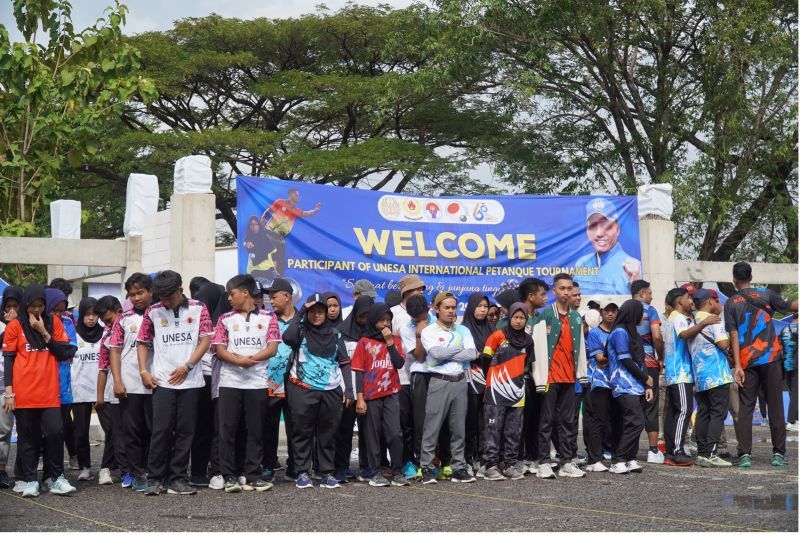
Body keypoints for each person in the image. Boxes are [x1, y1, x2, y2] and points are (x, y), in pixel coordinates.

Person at [137, 270, 214, 496]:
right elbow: (142, 342)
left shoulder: (199, 308)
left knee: (185, 431)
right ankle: (154, 478)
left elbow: (206, 339)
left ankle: (177, 478)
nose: (166, 303)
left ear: (181, 290)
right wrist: (143, 371)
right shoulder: (152, 311)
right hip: (162, 381)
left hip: (190, 380)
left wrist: (188, 365)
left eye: (170, 298)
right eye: (162, 299)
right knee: (161, 430)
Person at [2, 284, 77, 497]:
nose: (36, 310)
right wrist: (9, 392)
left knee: (55, 433)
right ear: (26, 305)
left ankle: (56, 478)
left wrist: (43, 332)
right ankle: (30, 480)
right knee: (28, 439)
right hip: (24, 394)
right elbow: (9, 359)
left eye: (40, 305)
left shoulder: (54, 323)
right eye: (33, 306)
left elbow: (63, 352)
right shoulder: (14, 327)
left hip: (49, 393)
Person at [724, 262, 797, 467]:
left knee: (746, 407)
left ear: (734, 279)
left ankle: (745, 454)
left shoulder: (731, 302)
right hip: (771, 357)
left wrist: (737, 365)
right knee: (775, 406)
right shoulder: (767, 294)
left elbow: (733, 335)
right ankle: (778, 454)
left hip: (747, 361)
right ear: (751, 276)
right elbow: (791, 306)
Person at [213, 274, 281, 493]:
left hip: (257, 382)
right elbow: (220, 349)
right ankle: (229, 475)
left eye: (232, 294)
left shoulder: (269, 317)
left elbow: (272, 348)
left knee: (255, 430)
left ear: (245, 292)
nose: (229, 298)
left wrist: (250, 360)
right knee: (227, 429)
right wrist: (238, 361)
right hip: (230, 381)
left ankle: (252, 475)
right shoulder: (224, 318)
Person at [282, 293, 354, 490]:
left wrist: (348, 389)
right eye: (312, 311)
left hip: (331, 390)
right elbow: (287, 337)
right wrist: (301, 312)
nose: (316, 315)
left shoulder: (335, 333)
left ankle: (326, 472)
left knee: (328, 433)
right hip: (303, 389)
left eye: (320, 311)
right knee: (302, 431)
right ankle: (302, 472)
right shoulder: (300, 331)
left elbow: (344, 363)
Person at [531, 273, 588, 479]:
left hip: (569, 378)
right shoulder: (546, 315)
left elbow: (580, 347)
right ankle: (544, 462)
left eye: (569, 288)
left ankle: (566, 461)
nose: (566, 292)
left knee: (567, 422)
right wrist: (539, 378)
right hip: (549, 377)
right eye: (561, 288)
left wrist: (582, 374)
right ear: (554, 291)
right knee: (546, 421)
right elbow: (537, 347)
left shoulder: (575, 317)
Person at [419, 291, 477, 485]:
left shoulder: (464, 330)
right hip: (439, 381)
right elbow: (435, 353)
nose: (451, 311)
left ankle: (458, 468)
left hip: (460, 381)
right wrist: (459, 351)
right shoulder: (429, 331)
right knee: (432, 427)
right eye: (447, 307)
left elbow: (472, 354)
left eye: (453, 307)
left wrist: (448, 353)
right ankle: (426, 467)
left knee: (459, 429)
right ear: (436, 309)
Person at [351, 303, 408, 487]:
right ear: (373, 321)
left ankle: (397, 469)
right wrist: (360, 397)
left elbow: (399, 363)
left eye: (388, 320)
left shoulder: (396, 341)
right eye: (381, 320)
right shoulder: (364, 343)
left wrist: (390, 343)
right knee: (372, 435)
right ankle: (375, 471)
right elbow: (359, 371)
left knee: (395, 433)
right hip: (371, 395)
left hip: (391, 393)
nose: (385, 324)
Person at [107, 272, 154, 492]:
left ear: (151, 292)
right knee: (132, 432)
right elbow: (114, 351)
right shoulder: (123, 319)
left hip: (158, 382)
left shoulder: (161, 314)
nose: (136, 298)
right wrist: (117, 380)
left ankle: (154, 471)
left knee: (156, 431)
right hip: (131, 383)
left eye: (140, 292)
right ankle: (136, 473)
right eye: (132, 294)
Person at [497, 278, 548, 474]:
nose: (545, 298)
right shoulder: (507, 322)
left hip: (538, 377)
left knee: (536, 419)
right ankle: (513, 459)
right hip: (515, 378)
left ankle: (532, 457)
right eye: (542, 294)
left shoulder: (541, 319)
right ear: (531, 296)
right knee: (516, 422)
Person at [480, 303, 532, 481]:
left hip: (517, 391)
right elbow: (485, 359)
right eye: (515, 317)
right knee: (492, 429)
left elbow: (527, 364)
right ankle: (490, 465)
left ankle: (509, 464)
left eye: (522, 318)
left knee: (513, 431)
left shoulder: (528, 340)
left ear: (526, 319)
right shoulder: (497, 336)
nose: (518, 321)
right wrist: (495, 379)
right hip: (495, 390)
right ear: (509, 318)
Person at [189, 277, 232, 488]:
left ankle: (212, 468)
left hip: (220, 379)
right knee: (203, 426)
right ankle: (198, 469)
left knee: (215, 426)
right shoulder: (197, 321)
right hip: (202, 379)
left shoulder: (225, 322)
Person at [663, 287, 708, 467]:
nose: (691, 301)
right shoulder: (678, 318)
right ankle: (677, 451)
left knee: (674, 414)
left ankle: (670, 451)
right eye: (688, 297)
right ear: (680, 301)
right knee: (684, 411)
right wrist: (705, 323)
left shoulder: (672, 318)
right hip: (680, 372)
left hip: (675, 372)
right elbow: (684, 334)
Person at [689, 289, 734, 468]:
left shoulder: (691, 323)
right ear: (710, 301)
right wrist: (731, 335)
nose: (719, 304)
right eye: (716, 300)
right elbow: (723, 344)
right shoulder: (715, 321)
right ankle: (712, 452)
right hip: (717, 375)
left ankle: (702, 453)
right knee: (717, 414)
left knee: (703, 413)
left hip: (700, 376)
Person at [606, 300, 651, 474]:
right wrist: (645, 378)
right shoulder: (619, 332)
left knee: (634, 422)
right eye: (641, 313)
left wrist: (646, 383)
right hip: (623, 383)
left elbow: (640, 359)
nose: (643, 317)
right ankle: (618, 460)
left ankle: (630, 458)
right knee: (636, 421)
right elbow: (625, 359)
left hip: (637, 384)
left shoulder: (634, 333)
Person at [389, 274, 427, 478]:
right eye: (416, 289)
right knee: (403, 424)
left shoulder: (426, 314)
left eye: (422, 289)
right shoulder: (394, 314)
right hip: (401, 376)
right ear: (405, 293)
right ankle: (406, 462)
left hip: (422, 376)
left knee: (419, 421)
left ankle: (422, 461)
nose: (420, 292)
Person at [262, 278, 299, 482]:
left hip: (296, 381)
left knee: (297, 426)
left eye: (274, 297)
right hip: (271, 380)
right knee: (269, 425)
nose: (271, 301)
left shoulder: (303, 319)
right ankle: (268, 464)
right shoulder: (267, 320)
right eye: (269, 298)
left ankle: (295, 466)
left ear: (287, 296)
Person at [334, 295, 374, 482]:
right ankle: (342, 467)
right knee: (345, 430)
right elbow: (340, 364)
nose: (365, 320)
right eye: (361, 316)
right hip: (347, 390)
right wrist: (346, 390)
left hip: (371, 390)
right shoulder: (341, 333)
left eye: (369, 316)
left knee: (368, 431)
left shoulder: (376, 336)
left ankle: (367, 466)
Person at [573, 198, 642, 294]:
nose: (599, 233)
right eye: (593, 226)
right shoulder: (581, 264)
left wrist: (636, 282)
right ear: (587, 232)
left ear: (617, 230)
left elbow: (639, 305)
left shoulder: (632, 267)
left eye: (606, 225)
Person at [70, 298, 105, 482]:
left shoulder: (105, 333)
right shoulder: (74, 335)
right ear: (82, 315)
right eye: (87, 314)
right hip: (80, 390)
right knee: (81, 432)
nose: (91, 318)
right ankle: (85, 467)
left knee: (112, 429)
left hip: (103, 389)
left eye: (95, 314)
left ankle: (108, 466)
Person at [630, 280, 665, 464]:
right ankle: (653, 451)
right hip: (649, 362)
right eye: (650, 293)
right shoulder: (650, 311)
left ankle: (629, 449)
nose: (651, 297)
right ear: (642, 293)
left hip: (629, 364)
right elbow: (657, 336)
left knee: (632, 406)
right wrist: (661, 356)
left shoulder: (624, 310)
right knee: (650, 406)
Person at [94, 295, 127, 487]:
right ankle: (108, 469)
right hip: (114, 391)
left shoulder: (136, 327)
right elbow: (103, 368)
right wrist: (99, 398)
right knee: (115, 432)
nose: (107, 324)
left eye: (109, 319)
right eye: (104, 322)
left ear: (120, 311)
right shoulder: (106, 336)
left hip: (139, 387)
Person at [45, 288, 78, 471]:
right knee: (43, 432)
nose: (58, 314)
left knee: (59, 429)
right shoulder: (37, 324)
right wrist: (59, 347)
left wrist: (54, 347)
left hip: (62, 384)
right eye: (54, 310)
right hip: (42, 384)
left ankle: (57, 472)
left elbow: (70, 350)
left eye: (61, 310)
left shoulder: (67, 322)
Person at [584, 301, 618, 472]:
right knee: (598, 420)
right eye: (607, 311)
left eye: (613, 310)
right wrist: (619, 355)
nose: (610, 314)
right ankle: (594, 459)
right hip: (599, 382)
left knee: (615, 419)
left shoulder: (620, 332)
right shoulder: (595, 333)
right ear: (601, 313)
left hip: (617, 382)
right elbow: (600, 359)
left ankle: (615, 454)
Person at [260, 187, 322, 276]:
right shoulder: (280, 202)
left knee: (279, 256)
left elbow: (305, 213)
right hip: (270, 231)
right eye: (296, 194)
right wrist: (263, 218)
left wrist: (316, 210)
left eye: (298, 195)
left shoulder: (297, 211)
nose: (298, 196)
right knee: (271, 252)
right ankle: (267, 270)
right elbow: (269, 210)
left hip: (280, 237)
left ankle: (274, 273)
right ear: (290, 195)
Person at [0, 285, 22, 489]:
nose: (12, 310)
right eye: (8, 306)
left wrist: (13, 326)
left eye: (16, 306)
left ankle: (1, 470)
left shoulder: (24, 326)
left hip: (7, 388)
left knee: (3, 431)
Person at [782, 315, 798, 432]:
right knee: (796, 394)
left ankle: (796, 420)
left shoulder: (784, 329)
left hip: (787, 364)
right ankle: (791, 421)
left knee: (793, 393)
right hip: (797, 364)